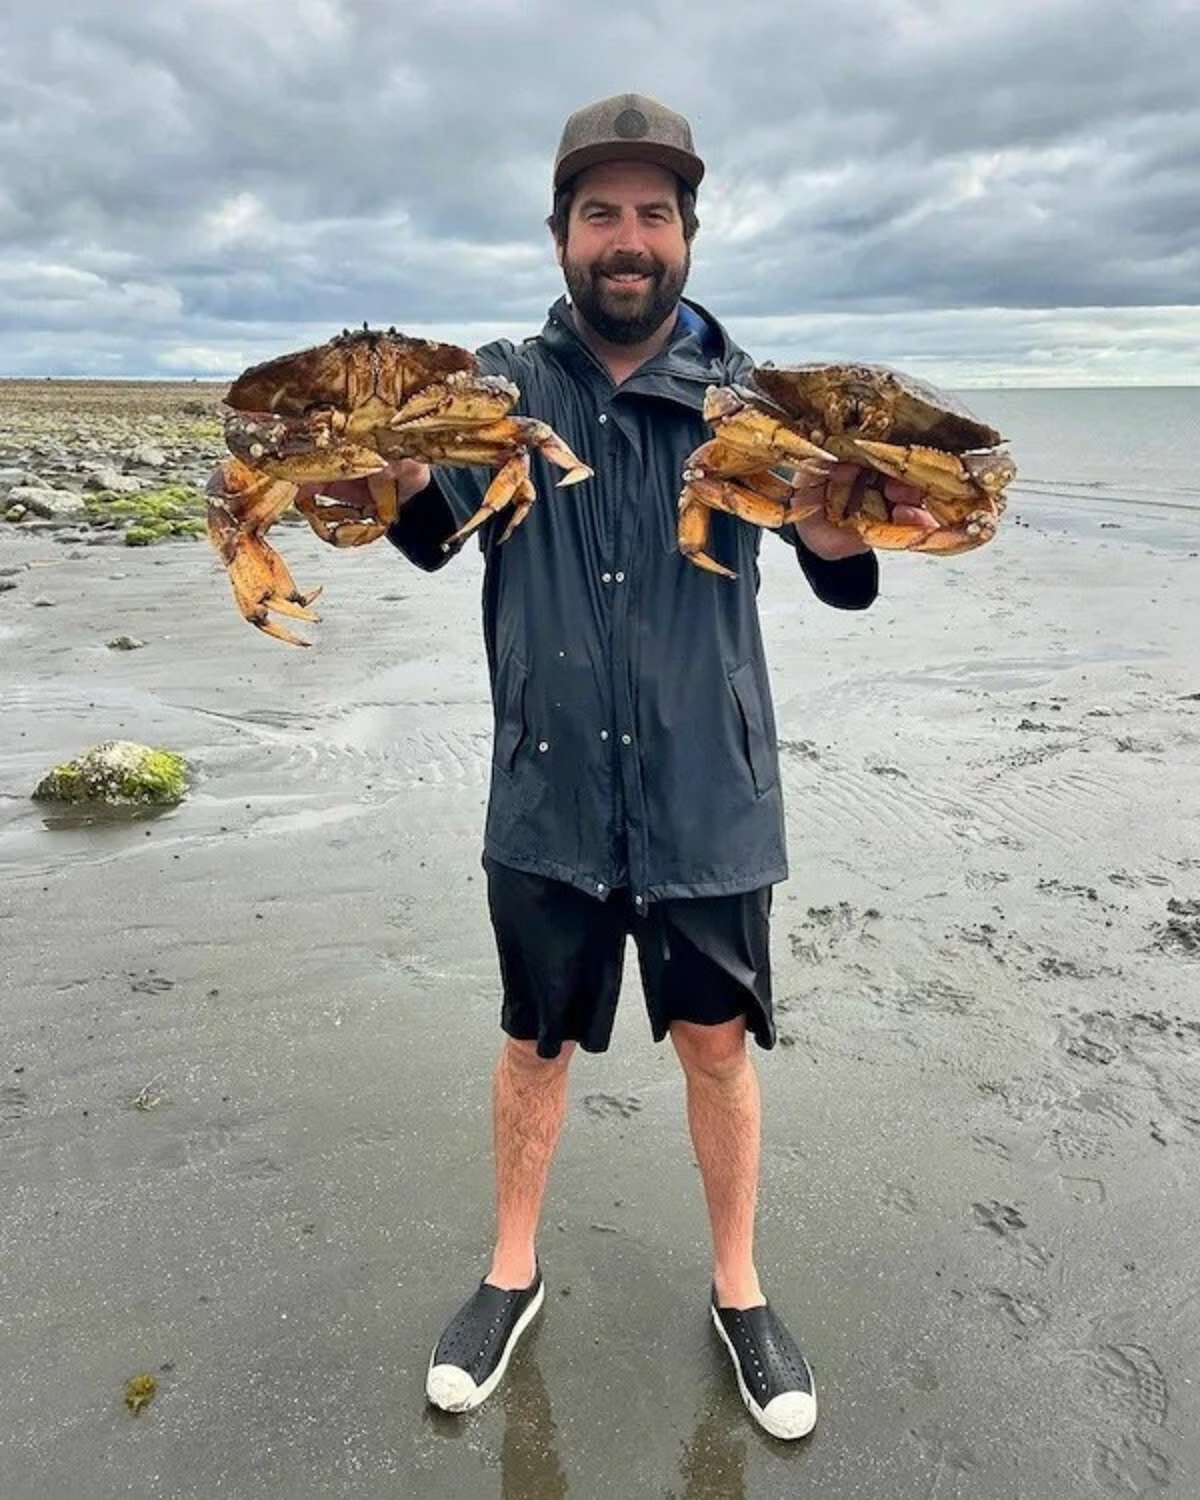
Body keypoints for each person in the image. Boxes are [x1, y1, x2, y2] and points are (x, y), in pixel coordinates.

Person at [309, 93, 937, 1441]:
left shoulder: (756, 399)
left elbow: (848, 585)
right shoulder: (498, 386)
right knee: (536, 1042)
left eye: (654, 212)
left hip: (713, 788)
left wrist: (840, 522)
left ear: (688, 237)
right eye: (603, 212)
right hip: (548, 789)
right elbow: (425, 536)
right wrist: (389, 473)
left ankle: (740, 1289)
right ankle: (511, 1273)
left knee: (716, 1044)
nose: (629, 237)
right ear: (560, 236)